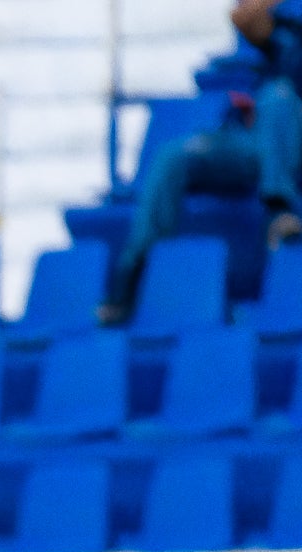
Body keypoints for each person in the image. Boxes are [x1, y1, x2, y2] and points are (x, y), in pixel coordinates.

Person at [103, 0, 302, 319]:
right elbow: (253, 25)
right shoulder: (284, 40)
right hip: (258, 143)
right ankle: (136, 275)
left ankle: (280, 211)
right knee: (173, 156)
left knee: (279, 97)